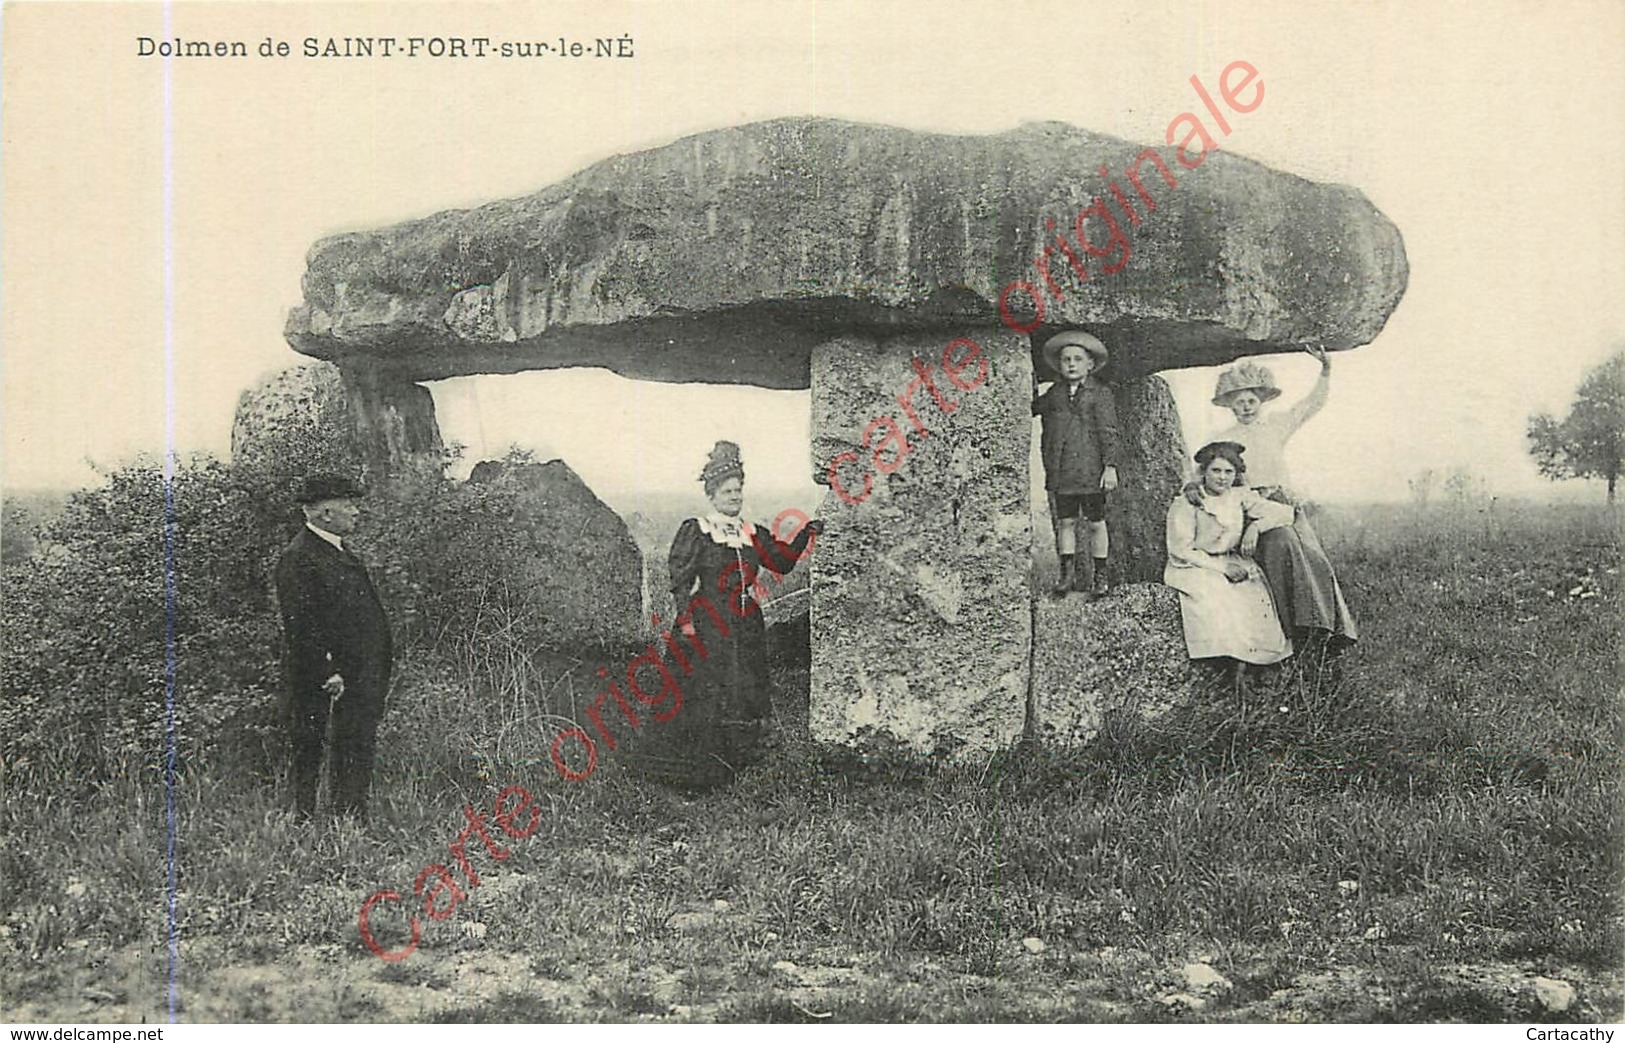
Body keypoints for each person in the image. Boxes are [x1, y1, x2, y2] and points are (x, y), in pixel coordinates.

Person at [664, 441, 821, 787]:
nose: (735, 496)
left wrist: (805, 535)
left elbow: (780, 561)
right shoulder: (699, 529)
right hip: (709, 620)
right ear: (713, 494)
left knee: (744, 686)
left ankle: (738, 758)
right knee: (709, 687)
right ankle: (702, 765)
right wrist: (686, 620)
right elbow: (681, 579)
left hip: (746, 619)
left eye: (738, 490)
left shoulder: (752, 533)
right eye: (727, 490)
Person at [1197, 347, 1359, 649]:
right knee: (1279, 552)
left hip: (1283, 504)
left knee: (1314, 559)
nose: (1246, 407)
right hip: (1246, 507)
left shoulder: (1276, 425)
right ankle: (1290, 632)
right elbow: (1204, 473)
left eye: (1251, 401)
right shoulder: (1224, 438)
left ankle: (1327, 632)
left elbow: (1310, 405)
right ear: (1230, 406)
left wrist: (1325, 371)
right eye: (1239, 402)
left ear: (1261, 401)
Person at [274, 473, 393, 821]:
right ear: (325, 512)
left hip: (357, 672)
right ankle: (306, 822)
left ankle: (350, 817)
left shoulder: (338, 551)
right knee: (311, 745)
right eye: (348, 504)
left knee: (355, 743)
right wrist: (328, 671)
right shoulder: (300, 557)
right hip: (327, 675)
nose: (356, 512)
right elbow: (301, 625)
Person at [1164, 442, 1296, 691]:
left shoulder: (1239, 496)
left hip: (1231, 559)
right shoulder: (1187, 502)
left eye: (1228, 472)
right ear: (1204, 472)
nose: (1222, 478)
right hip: (1195, 565)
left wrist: (1256, 527)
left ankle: (1258, 669)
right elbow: (1181, 549)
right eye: (1216, 471)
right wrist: (1221, 569)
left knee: (1254, 596)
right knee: (1218, 597)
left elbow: (1285, 513)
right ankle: (1226, 671)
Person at [1033, 330, 1121, 598]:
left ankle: (1100, 575)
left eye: (1077, 359)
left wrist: (1110, 466)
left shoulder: (1100, 393)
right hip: (1062, 470)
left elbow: (1109, 430)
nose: (1071, 364)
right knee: (1066, 522)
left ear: (1090, 364)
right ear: (1059, 366)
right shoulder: (1054, 394)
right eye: (1066, 360)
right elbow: (1032, 407)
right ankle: (1066, 574)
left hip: (1091, 469)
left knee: (1096, 523)